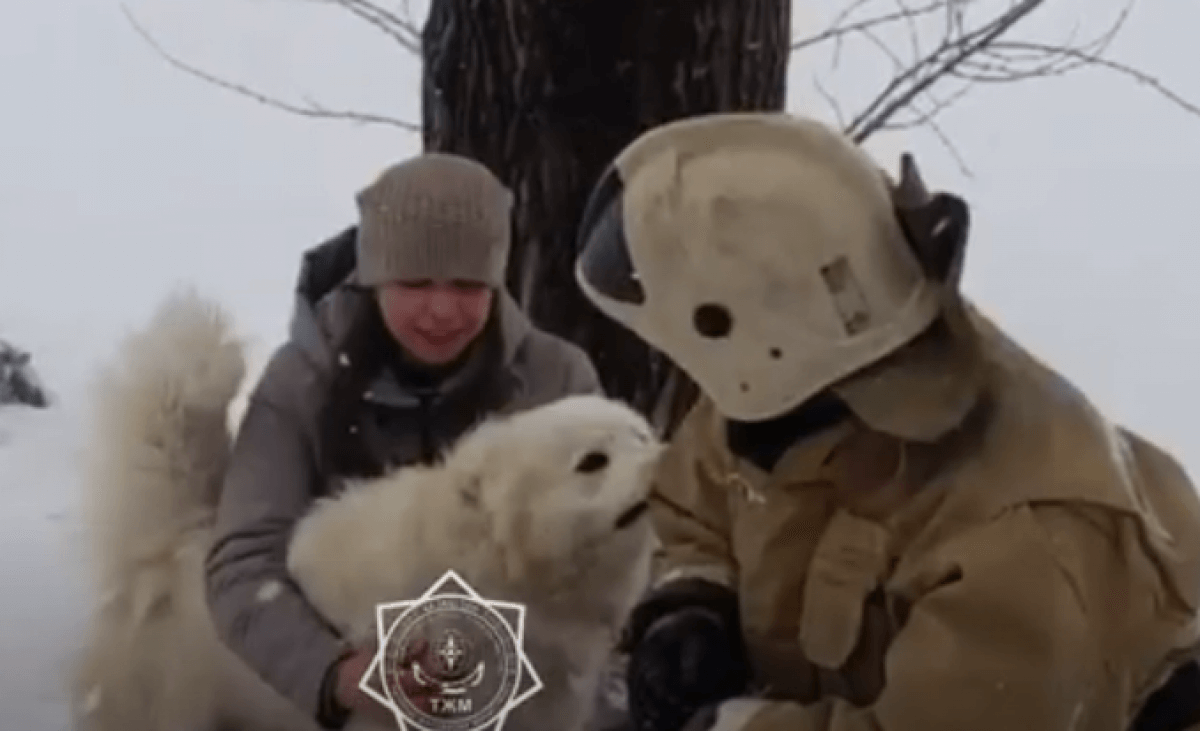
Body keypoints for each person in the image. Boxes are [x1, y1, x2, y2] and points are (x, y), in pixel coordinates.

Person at [572, 112, 1200, 731]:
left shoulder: (1021, 538)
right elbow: (693, 501)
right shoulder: (795, 368)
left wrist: (738, 727)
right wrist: (693, 601)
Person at [204, 152, 601, 729]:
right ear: (374, 278)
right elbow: (243, 564)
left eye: (468, 284)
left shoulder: (558, 380)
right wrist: (338, 675)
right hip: (340, 695)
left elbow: (613, 548)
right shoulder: (302, 383)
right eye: (415, 282)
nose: (442, 310)